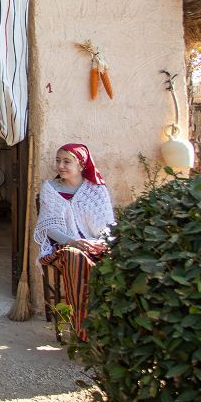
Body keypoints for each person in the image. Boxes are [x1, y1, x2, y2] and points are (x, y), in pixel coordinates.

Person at [32, 143, 116, 341]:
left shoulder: (96, 190)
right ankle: (83, 333)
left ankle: (108, 328)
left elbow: (107, 227)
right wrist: (73, 241)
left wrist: (94, 243)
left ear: (81, 165)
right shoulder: (50, 189)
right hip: (62, 247)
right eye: (58, 161)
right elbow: (49, 228)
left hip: (94, 244)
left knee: (115, 259)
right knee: (76, 259)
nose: (60, 166)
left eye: (66, 162)